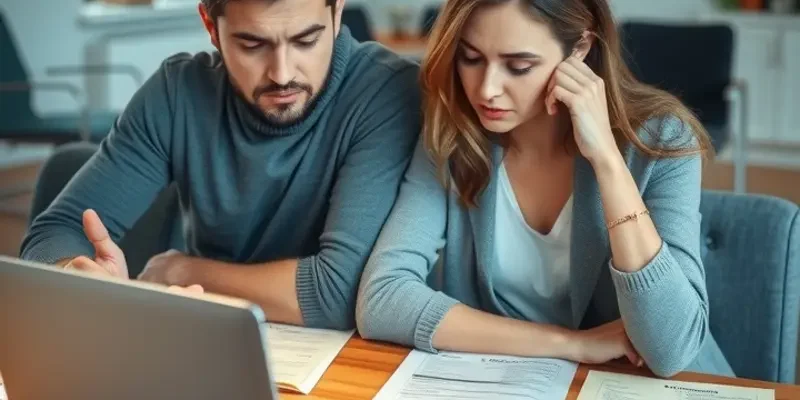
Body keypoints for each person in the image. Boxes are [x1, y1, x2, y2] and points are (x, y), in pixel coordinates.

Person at [356, 0, 735, 378]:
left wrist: (606, 159)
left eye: (518, 66)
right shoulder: (454, 135)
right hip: (518, 380)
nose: (487, 89)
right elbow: (382, 298)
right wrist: (570, 344)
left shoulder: (662, 141)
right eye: (471, 58)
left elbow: (669, 350)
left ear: (580, 49)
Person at [20, 0, 421, 331]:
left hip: (348, 359)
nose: (282, 73)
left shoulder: (387, 93)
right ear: (210, 26)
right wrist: (75, 273)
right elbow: (53, 232)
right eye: (252, 44)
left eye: (306, 40)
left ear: (337, 15)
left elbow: (337, 294)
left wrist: (178, 271)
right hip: (207, 342)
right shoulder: (177, 93)